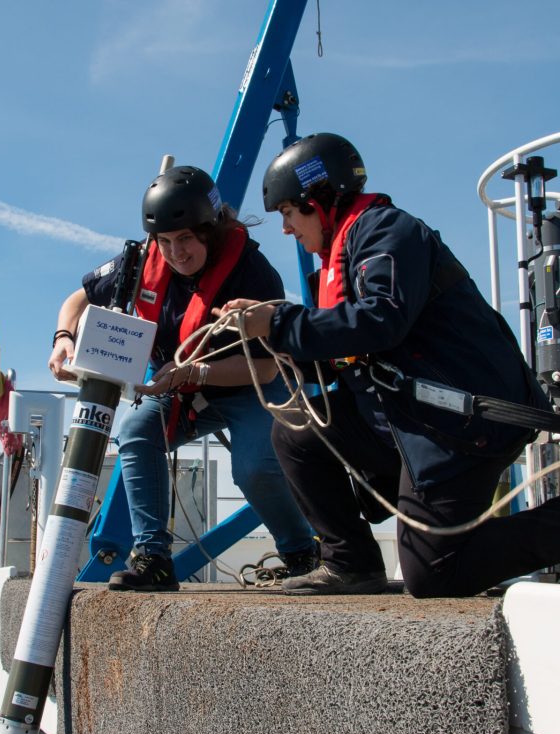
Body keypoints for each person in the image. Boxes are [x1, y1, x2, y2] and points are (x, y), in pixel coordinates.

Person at [216, 131, 560, 598]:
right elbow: (349, 355)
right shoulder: (346, 257)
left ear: (319, 200)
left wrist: (278, 323)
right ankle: (350, 565)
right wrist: (273, 339)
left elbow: (381, 319)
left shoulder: (388, 232)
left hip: (462, 425)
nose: (286, 229)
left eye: (288, 212)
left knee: (435, 575)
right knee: (297, 430)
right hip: (409, 419)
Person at [48, 165, 316, 591]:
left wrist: (195, 370)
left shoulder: (254, 273)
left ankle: (302, 552)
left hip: (250, 385)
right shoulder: (140, 261)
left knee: (253, 470)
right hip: (178, 386)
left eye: (186, 239)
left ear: (210, 231)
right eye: (166, 241)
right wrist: (63, 338)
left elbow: (266, 367)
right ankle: (153, 559)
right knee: (135, 433)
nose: (176, 252)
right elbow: (78, 298)